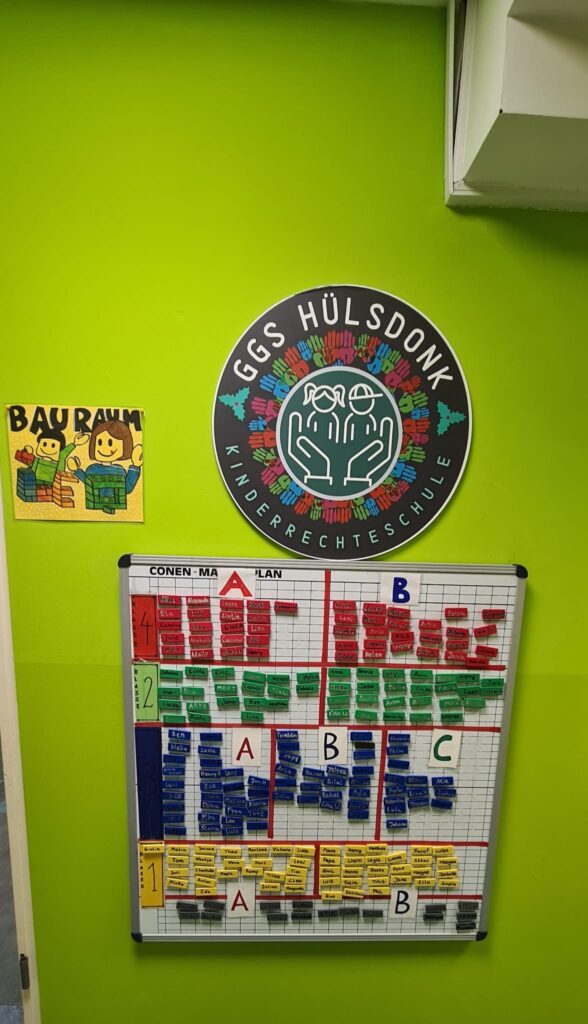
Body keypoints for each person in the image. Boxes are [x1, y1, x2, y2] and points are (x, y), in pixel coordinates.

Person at [68, 420, 142, 514]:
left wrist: (135, 466)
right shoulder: (93, 469)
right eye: (99, 442)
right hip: (96, 502)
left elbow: (127, 488)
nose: (104, 449)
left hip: (109, 502)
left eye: (110, 443)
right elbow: (88, 482)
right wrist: (76, 470)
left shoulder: (119, 470)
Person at [23, 428, 87, 486]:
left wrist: (74, 444)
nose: (47, 448)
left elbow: (63, 454)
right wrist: (26, 452)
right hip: (34, 483)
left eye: (53, 446)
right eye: (44, 444)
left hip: (50, 486)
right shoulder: (37, 460)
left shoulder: (58, 463)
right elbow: (30, 466)